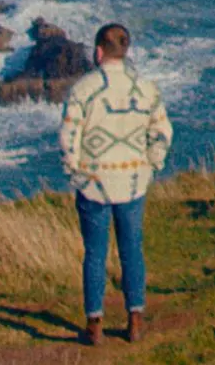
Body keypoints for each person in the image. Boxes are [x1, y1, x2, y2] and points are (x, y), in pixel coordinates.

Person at [58, 22, 172, 345]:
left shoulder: (83, 89)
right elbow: (162, 132)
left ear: (97, 52)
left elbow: (68, 138)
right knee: (131, 249)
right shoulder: (146, 88)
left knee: (95, 253)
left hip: (93, 184)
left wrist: (75, 174)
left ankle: (94, 325)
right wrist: (152, 165)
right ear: (125, 51)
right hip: (133, 182)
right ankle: (135, 321)